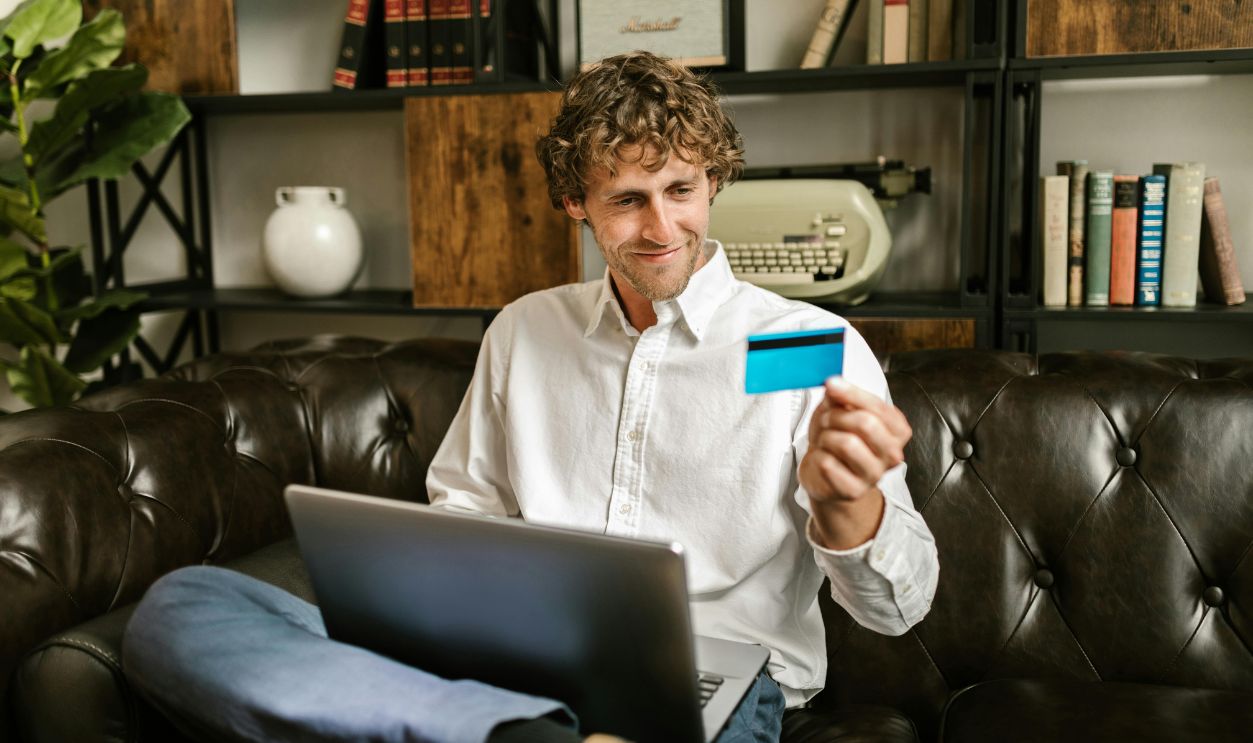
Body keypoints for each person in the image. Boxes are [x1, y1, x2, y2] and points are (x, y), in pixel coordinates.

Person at [123, 51, 938, 743]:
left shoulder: (807, 348)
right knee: (184, 608)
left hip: (707, 680)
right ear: (573, 203)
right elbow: (466, 517)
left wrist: (847, 504)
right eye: (626, 199)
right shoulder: (524, 331)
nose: (660, 227)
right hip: (512, 674)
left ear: (713, 179)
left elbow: (897, 606)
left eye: (681, 190)